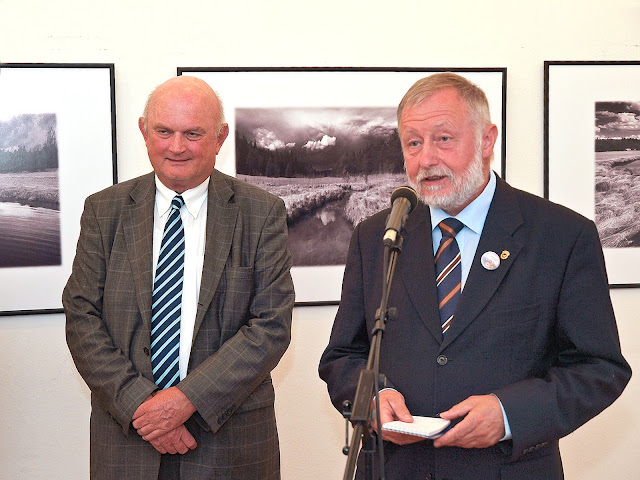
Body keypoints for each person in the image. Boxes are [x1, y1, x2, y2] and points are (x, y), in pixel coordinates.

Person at [318, 72, 631, 479]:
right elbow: (343, 355)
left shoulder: (562, 235)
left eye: (443, 139)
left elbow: (599, 368)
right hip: (395, 468)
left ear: (486, 141)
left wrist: (509, 414)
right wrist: (373, 397)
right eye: (413, 143)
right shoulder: (377, 235)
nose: (426, 159)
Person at [64, 76, 295, 480]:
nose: (176, 147)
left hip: (229, 442)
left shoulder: (261, 213)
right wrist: (143, 405)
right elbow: (82, 317)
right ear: (143, 131)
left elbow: (271, 325)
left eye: (193, 134)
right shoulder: (104, 211)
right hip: (129, 439)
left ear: (220, 137)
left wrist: (185, 401)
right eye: (164, 132)